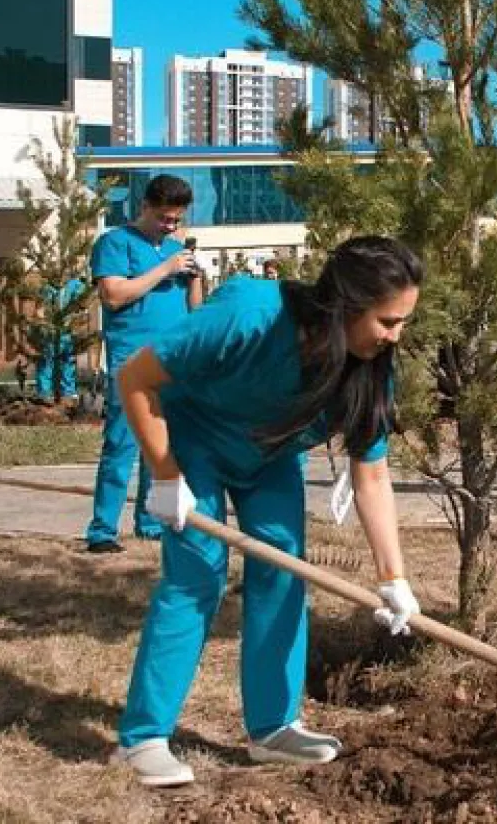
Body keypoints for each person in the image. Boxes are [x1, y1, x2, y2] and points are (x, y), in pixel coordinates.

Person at [110, 235, 425, 788]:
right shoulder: (249, 315)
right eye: (387, 321)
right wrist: (165, 475)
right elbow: (135, 378)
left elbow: (371, 473)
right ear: (347, 305)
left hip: (270, 456)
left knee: (283, 572)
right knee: (196, 575)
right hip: (193, 442)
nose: (396, 336)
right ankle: (144, 737)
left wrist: (393, 577)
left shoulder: (370, 367)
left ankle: (274, 727)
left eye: (403, 322)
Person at [84, 175, 206, 554]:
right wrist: (165, 270)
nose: (170, 226)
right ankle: (102, 530)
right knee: (121, 445)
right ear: (145, 207)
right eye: (164, 218)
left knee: (162, 445)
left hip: (170, 360)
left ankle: (149, 523)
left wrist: (195, 277)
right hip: (130, 360)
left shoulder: (172, 250)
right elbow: (114, 295)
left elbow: (195, 312)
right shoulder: (115, 243)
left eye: (176, 220)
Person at [34, 278, 85, 404]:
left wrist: (74, 322)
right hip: (50, 332)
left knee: (68, 360)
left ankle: (68, 393)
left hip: (67, 331)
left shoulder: (75, 285)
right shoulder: (46, 287)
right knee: (46, 361)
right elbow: (39, 310)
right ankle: (44, 393)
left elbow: (81, 307)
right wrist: (44, 324)